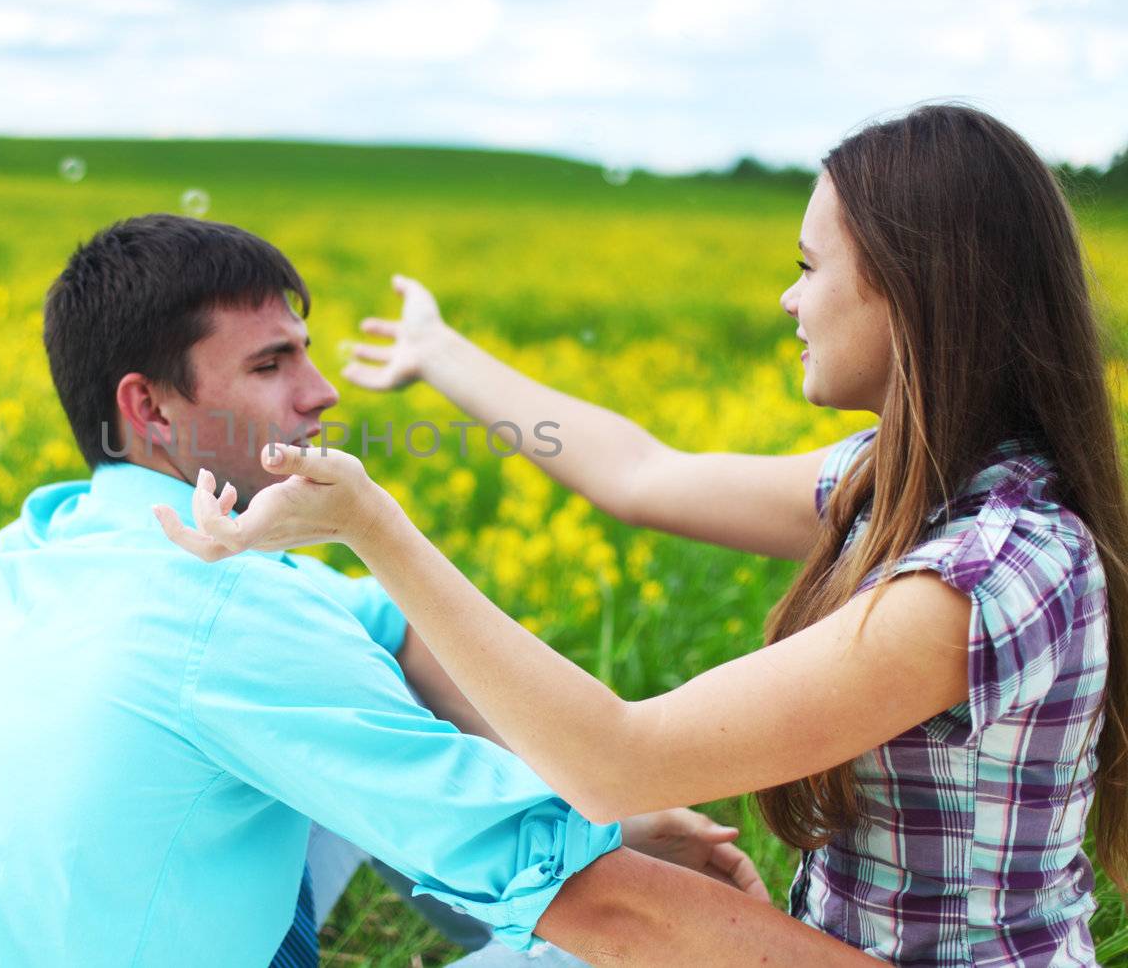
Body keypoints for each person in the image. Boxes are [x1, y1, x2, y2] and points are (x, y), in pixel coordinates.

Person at [157, 103, 1127, 966]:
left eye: (807, 266)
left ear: (911, 288)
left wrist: (372, 526)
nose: (789, 299)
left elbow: (618, 761)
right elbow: (640, 473)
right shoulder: (904, 481)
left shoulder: (986, 573)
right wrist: (441, 355)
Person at [0, 214, 880, 967]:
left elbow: (382, 630)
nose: (322, 389)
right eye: (271, 362)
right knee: (602, 945)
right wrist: (602, 847)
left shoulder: (52, 534)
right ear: (150, 408)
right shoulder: (227, 617)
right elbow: (614, 912)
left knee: (377, 710)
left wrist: (607, 809)